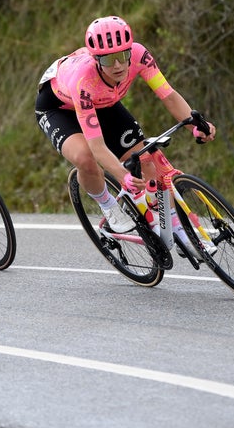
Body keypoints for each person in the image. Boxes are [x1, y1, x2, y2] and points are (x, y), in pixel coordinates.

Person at [35, 15, 217, 256]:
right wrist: (122, 176)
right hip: (58, 109)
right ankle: (108, 205)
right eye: (109, 59)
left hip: (105, 103)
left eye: (122, 55)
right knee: (86, 158)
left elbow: (168, 95)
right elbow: (98, 146)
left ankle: (179, 232)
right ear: (96, 58)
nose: (118, 65)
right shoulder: (84, 79)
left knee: (146, 159)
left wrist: (194, 124)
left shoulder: (140, 55)